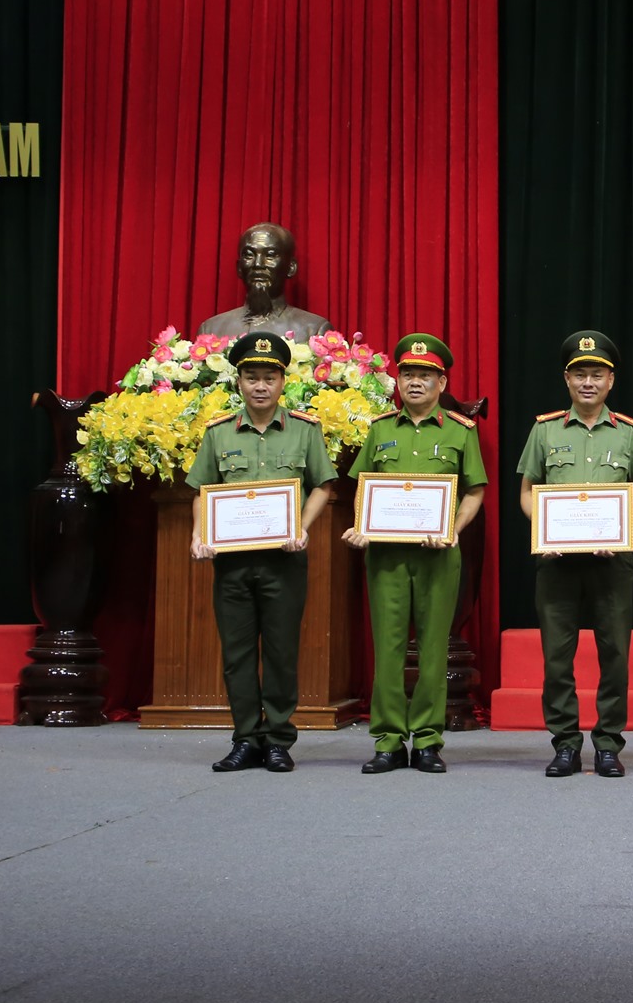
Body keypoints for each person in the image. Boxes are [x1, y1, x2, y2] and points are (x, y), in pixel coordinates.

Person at [186, 331, 338, 772]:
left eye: (269, 377)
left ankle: (278, 740)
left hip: (284, 562)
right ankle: (245, 739)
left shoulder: (304, 431)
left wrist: (303, 528)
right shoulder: (217, 434)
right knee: (236, 655)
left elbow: (324, 487)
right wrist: (199, 535)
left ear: (282, 382)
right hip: (232, 564)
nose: (260, 386)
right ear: (238, 382)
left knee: (280, 652)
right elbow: (201, 491)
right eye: (251, 377)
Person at [342, 334, 487, 774]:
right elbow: (362, 486)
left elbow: (475, 492)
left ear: (442, 382)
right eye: (408, 374)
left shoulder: (462, 431)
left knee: (432, 649)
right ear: (397, 381)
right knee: (386, 648)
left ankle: (426, 739)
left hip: (438, 555)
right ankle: (387, 740)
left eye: (425, 375)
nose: (415, 382)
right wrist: (362, 527)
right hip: (386, 556)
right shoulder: (380, 428)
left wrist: (453, 530)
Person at [516, 330, 633, 778]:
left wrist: (620, 528)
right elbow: (526, 492)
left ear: (610, 381)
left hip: (611, 562)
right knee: (557, 657)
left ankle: (608, 744)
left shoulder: (630, 433)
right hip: (556, 562)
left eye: (597, 374)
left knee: (614, 654)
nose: (588, 383)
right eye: (580, 374)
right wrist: (545, 527)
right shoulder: (544, 430)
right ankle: (565, 744)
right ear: (567, 379)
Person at [195, 222, 331, 341]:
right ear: (239, 268)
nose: (258, 264)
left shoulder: (314, 330)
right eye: (249, 255)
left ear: (291, 267)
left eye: (270, 255)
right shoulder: (212, 330)